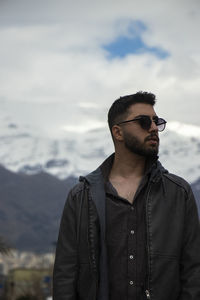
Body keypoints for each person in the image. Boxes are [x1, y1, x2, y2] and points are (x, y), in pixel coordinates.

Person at [53, 92, 200, 300]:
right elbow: (65, 276)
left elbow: (193, 273)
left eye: (156, 121)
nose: (153, 128)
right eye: (143, 121)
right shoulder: (80, 197)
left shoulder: (179, 193)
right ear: (118, 132)